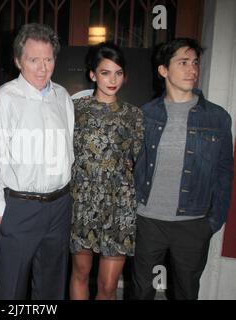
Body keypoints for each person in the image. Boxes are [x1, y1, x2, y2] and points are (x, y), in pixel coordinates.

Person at [132, 38, 234, 300]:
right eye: (183, 62)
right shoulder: (145, 114)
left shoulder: (217, 117)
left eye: (195, 63)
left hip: (193, 223)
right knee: (142, 291)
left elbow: (224, 173)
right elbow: (132, 164)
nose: (192, 69)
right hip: (148, 220)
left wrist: (212, 222)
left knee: (186, 292)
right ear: (163, 70)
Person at [0, 23, 75, 300]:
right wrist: (1, 212)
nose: (42, 67)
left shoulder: (63, 97)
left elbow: (68, 150)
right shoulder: (5, 98)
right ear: (18, 61)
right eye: (33, 59)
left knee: (51, 288)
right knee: (10, 288)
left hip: (59, 206)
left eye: (48, 59)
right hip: (21, 207)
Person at [69, 42, 144, 300]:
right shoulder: (75, 111)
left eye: (118, 73)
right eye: (105, 72)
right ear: (92, 74)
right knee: (79, 274)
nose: (113, 80)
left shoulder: (134, 115)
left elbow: (139, 162)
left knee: (109, 286)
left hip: (119, 205)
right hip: (82, 201)